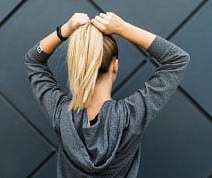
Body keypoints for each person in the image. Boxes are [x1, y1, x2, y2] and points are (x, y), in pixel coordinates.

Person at [24, 12, 190, 178]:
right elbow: (177, 59)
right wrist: (123, 28)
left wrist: (65, 30)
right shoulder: (130, 116)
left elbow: (33, 59)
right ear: (115, 65)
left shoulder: (61, 114)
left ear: (76, 66)